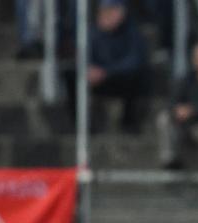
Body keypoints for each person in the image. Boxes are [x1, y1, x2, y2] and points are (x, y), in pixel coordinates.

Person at [63, 0, 150, 133]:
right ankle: (81, 124)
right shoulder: (93, 32)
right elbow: (82, 56)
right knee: (70, 76)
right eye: (105, 11)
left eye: (113, 11)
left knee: (136, 76)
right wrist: (89, 70)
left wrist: (107, 72)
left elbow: (135, 61)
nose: (108, 15)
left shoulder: (132, 32)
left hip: (118, 78)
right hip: (96, 78)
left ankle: (129, 122)